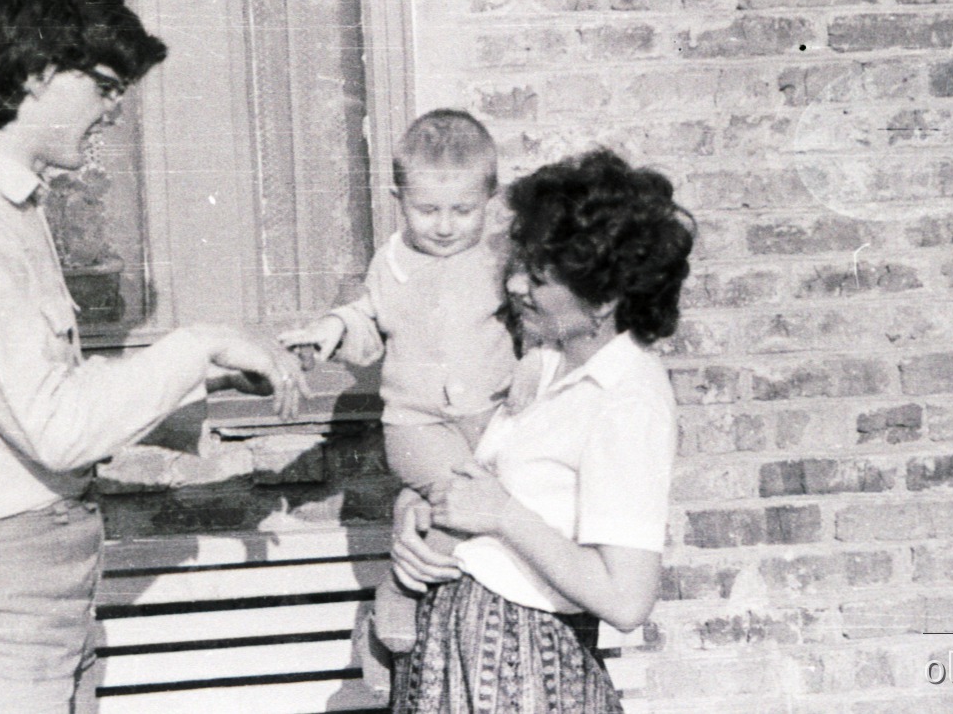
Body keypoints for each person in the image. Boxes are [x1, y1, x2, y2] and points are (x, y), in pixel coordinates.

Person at [0, 0, 304, 714]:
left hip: (34, 583)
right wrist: (196, 344)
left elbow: (38, 392)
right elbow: (56, 428)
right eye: (104, 85)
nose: (113, 109)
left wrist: (210, 377)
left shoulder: (0, 205)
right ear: (38, 71)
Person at [387, 148, 693, 714]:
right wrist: (416, 514)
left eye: (541, 277)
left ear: (603, 297)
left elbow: (627, 599)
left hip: (525, 673)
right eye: (520, 265)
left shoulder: (628, 398)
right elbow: (481, 482)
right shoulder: (544, 364)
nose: (517, 285)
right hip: (457, 654)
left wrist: (503, 515)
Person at [278, 109, 517, 674]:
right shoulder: (391, 263)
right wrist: (331, 330)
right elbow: (367, 319)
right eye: (426, 210)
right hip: (417, 426)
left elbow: (530, 327)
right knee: (459, 500)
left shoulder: (500, 258)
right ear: (397, 197)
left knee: (480, 512)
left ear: (490, 197)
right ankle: (396, 596)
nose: (444, 225)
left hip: (493, 415)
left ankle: (441, 630)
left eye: (463, 210)